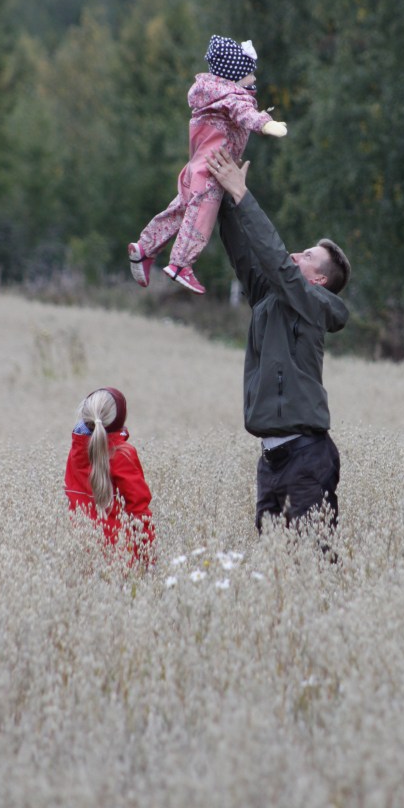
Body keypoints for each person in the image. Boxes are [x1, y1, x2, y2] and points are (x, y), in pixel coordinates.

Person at [206, 145, 351, 535]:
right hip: (271, 460)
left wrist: (243, 194)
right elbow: (243, 252)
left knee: (311, 562)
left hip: (308, 458)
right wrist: (220, 195)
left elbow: (277, 262)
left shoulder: (313, 304)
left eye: (306, 256)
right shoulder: (269, 297)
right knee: (276, 568)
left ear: (318, 280)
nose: (294, 255)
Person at [128, 34, 288, 295]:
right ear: (235, 76)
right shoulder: (233, 97)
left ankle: (145, 248)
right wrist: (266, 124)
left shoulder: (209, 96)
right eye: (249, 75)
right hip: (213, 172)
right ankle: (181, 265)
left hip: (195, 167)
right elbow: (245, 114)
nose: (254, 80)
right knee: (201, 217)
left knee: (180, 210)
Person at [64, 387, 155, 562]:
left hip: (80, 556)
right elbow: (139, 512)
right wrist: (148, 561)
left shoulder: (76, 452)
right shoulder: (123, 454)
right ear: (119, 420)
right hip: (120, 559)